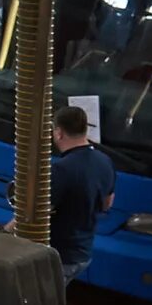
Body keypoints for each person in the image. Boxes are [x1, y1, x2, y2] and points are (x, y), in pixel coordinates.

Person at [48, 105, 117, 279]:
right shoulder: (105, 161)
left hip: (58, 256)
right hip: (82, 254)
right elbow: (107, 203)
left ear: (59, 133)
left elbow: (37, 213)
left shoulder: (61, 169)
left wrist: (5, 232)